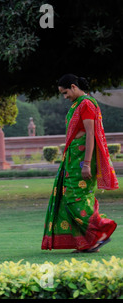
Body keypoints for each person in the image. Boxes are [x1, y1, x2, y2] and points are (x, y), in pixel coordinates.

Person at [41, 74, 118, 253]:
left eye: (65, 92)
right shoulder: (77, 105)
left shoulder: (86, 105)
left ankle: (100, 231)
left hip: (82, 160)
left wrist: (86, 163)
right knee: (70, 197)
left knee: (75, 199)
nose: (65, 96)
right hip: (73, 159)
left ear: (74, 87)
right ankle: (86, 242)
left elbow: (91, 134)